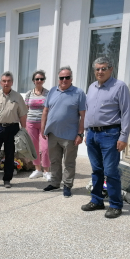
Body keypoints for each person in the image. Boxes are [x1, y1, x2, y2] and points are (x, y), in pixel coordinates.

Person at [81, 56, 130, 219]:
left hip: (110, 134)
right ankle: (96, 200)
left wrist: (123, 136)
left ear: (111, 69)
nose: (100, 71)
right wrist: (86, 132)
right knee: (96, 170)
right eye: (97, 69)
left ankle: (116, 205)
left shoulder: (119, 87)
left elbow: (127, 113)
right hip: (92, 134)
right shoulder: (92, 87)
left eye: (104, 68)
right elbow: (88, 110)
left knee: (110, 171)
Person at [41, 66, 86, 198]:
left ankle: (67, 185)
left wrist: (80, 134)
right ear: (58, 79)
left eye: (67, 77)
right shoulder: (52, 91)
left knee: (69, 162)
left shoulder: (79, 93)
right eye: (62, 77)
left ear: (71, 78)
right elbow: (45, 111)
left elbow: (83, 116)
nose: (64, 80)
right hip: (53, 134)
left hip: (70, 136)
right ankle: (55, 183)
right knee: (54, 160)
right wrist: (43, 128)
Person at [0, 71, 27, 189]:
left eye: (8, 81)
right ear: (0, 82)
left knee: (10, 155)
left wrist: (24, 131)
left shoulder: (17, 97)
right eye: (4, 81)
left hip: (12, 129)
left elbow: (23, 115)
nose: (6, 83)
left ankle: (7, 179)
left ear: (12, 82)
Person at [25, 70, 51, 181]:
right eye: (37, 79)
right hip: (30, 123)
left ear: (44, 80)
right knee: (34, 148)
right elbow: (25, 110)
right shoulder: (29, 94)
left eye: (41, 79)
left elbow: (51, 109)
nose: (39, 81)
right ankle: (38, 169)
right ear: (33, 81)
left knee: (45, 148)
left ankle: (46, 171)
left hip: (43, 125)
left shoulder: (48, 93)